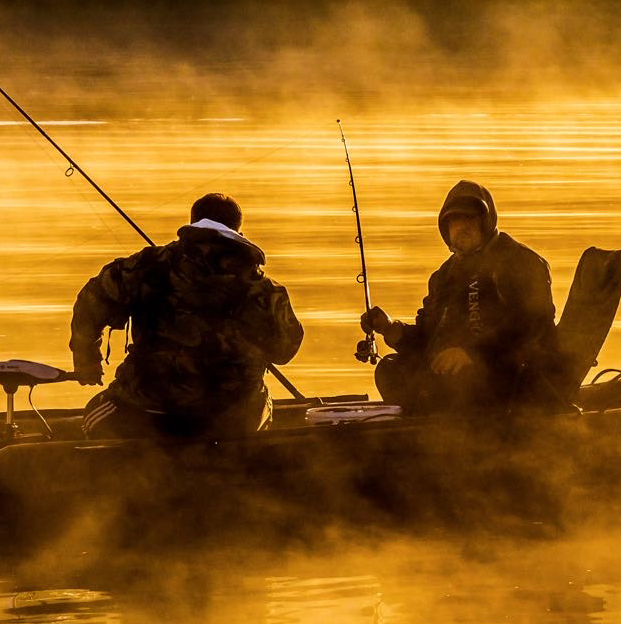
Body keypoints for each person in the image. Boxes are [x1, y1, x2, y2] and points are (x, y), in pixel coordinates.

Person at [70, 192, 303, 440]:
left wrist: (87, 361)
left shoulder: (145, 266)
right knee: (262, 402)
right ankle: (237, 457)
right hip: (230, 418)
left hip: (147, 410)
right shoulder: (263, 289)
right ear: (238, 231)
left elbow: (91, 302)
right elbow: (284, 351)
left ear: (192, 223)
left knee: (94, 414)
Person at [360, 180, 565, 414]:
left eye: (470, 219)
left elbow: (532, 324)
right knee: (390, 369)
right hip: (459, 382)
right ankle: (430, 425)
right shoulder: (444, 276)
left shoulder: (520, 261)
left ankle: (454, 423)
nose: (462, 227)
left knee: (461, 381)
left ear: (486, 222)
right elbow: (428, 337)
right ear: (445, 228)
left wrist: (473, 353)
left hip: (515, 377)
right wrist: (390, 329)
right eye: (455, 221)